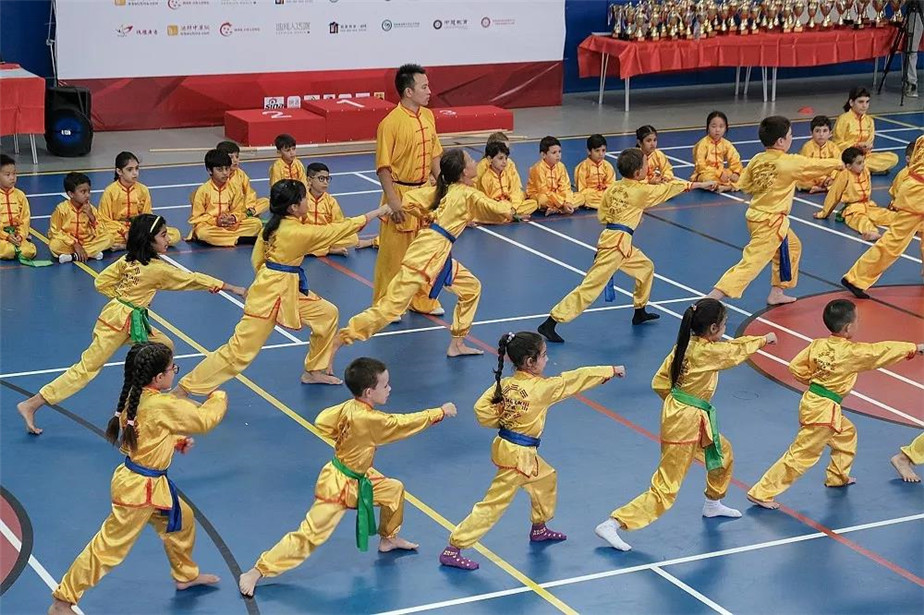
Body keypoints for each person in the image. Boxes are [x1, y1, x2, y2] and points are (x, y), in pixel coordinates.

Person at [239, 357, 456, 596]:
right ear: (369, 392)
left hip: (359, 474)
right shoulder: (370, 419)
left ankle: (388, 539)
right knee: (310, 534)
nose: (390, 388)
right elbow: (402, 423)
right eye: (385, 385)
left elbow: (322, 421)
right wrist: (440, 412)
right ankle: (257, 571)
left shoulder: (350, 406)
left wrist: (348, 440)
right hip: (339, 485)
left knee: (394, 489)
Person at [16, 214, 244, 435]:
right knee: (86, 369)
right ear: (148, 240)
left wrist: (124, 298)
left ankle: (146, 400)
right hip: (117, 323)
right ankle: (31, 404)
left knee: (164, 345)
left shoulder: (128, 259)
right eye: (163, 235)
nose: (167, 239)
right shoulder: (157, 270)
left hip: (131, 320)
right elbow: (191, 279)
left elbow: (101, 282)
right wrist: (230, 287)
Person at [47, 342, 227, 615]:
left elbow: (147, 433)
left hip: (146, 484)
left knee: (183, 520)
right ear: (159, 377)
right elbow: (204, 421)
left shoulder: (136, 396)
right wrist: (218, 396)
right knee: (109, 548)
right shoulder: (162, 404)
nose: (174, 372)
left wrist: (174, 441)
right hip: (139, 491)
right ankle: (62, 601)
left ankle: (185, 575)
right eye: (173, 368)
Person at [176, 180, 388, 395]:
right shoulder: (296, 233)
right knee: (239, 351)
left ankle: (313, 371)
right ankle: (185, 388)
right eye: (304, 198)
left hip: (285, 288)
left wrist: (261, 282)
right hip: (271, 294)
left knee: (326, 314)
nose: (307, 201)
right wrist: (377, 212)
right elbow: (337, 229)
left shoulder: (273, 226)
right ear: (294, 207)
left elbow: (257, 258)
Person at [596, 299, 774, 551]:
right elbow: (733, 353)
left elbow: (659, 382)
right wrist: (763, 340)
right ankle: (615, 523)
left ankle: (713, 503)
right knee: (667, 486)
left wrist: (678, 402)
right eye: (724, 324)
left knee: (722, 453)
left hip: (686, 415)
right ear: (713, 328)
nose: (725, 329)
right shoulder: (706, 353)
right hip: (685, 423)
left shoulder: (684, 346)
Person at [439, 332, 623, 570]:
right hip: (519, 456)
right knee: (493, 504)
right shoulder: (541, 389)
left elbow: (481, 409)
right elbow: (574, 379)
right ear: (530, 361)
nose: (547, 359)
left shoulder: (505, 384)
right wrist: (609, 370)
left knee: (545, 478)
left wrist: (504, 420)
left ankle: (539, 527)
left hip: (509, 448)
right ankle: (454, 547)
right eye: (544, 355)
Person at [336, 149, 513, 358]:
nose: (476, 162)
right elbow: (502, 212)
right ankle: (342, 338)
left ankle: (457, 344)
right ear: (464, 171)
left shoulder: (447, 190)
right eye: (471, 160)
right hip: (427, 254)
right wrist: (510, 206)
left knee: (471, 288)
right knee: (391, 307)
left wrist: (428, 215)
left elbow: (409, 200)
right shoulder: (468, 194)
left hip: (438, 253)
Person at [747, 299, 923, 509]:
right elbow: (880, 351)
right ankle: (762, 492)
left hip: (812, 401)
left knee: (846, 434)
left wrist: (815, 380)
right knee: (802, 455)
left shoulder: (817, 345)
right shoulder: (851, 352)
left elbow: (795, 367)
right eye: (857, 321)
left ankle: (837, 477)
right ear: (848, 328)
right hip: (824, 413)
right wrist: (914, 348)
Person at [538, 148, 715, 343]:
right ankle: (552, 321)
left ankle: (640, 311)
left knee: (645, 268)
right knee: (590, 287)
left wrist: (626, 218)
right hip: (616, 246)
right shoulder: (642, 191)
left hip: (618, 241)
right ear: (638, 173)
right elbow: (669, 188)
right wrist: (700, 184)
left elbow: (603, 214)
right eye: (646, 165)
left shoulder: (615, 186)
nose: (648, 167)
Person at [707, 116, 844, 305]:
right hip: (770, 224)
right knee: (751, 263)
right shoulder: (789, 163)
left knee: (792, 247)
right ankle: (711, 298)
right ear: (780, 141)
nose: (791, 138)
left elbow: (744, 185)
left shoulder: (757, 159)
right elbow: (812, 165)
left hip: (757, 217)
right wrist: (839, 163)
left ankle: (777, 292)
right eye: (790, 135)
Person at [372, 63, 445, 318]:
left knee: (424, 254)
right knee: (393, 256)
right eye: (424, 87)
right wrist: (393, 202)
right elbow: (383, 167)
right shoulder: (389, 124)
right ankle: (387, 305)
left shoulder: (428, 117)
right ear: (408, 92)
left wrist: (443, 188)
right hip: (400, 194)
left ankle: (421, 299)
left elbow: (435, 155)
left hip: (424, 194)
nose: (429, 91)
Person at [841, 135, 924, 298]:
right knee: (894, 241)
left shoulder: (921, 139)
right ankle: (855, 279)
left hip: (914, 190)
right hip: (918, 195)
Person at [99, 151, 182, 250]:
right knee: (106, 238)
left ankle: (126, 246)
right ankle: (141, 244)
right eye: (130, 169)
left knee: (175, 235)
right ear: (119, 171)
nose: (135, 173)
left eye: (137, 168)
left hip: (139, 229)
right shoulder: (110, 191)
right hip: (117, 230)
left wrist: (140, 231)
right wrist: (124, 232)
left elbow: (147, 217)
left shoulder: (143, 190)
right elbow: (104, 219)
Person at [814, 147, 894, 241]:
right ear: (848, 166)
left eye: (863, 161)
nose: (863, 165)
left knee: (888, 215)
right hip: (852, 210)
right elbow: (834, 195)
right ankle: (871, 232)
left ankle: (908, 225)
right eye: (859, 163)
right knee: (861, 220)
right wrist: (824, 213)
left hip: (868, 206)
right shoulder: (844, 175)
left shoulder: (866, 171)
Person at [187, 149, 262, 247]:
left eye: (227, 169)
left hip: (230, 226)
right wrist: (216, 221)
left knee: (256, 224)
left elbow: (239, 211)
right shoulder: (202, 191)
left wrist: (233, 217)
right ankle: (239, 239)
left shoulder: (234, 188)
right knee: (202, 232)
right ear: (209, 170)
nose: (225, 173)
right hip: (211, 226)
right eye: (220, 170)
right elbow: (196, 218)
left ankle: (226, 239)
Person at [303, 162, 375, 255]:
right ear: (309, 180)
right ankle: (328, 250)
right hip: (306, 236)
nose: (325, 182)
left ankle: (317, 249)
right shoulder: (301, 199)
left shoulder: (331, 201)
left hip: (325, 236)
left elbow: (339, 225)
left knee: (352, 238)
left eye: (327, 179)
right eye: (321, 178)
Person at [49, 172, 114, 263]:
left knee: (109, 238)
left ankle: (73, 256)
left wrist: (92, 217)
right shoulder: (61, 209)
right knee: (54, 245)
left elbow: (102, 231)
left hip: (87, 242)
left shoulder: (91, 209)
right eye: (83, 192)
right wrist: (74, 243)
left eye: (89, 191)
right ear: (71, 194)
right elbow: (54, 231)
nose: (88, 195)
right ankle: (91, 253)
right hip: (69, 244)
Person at [832, 87, 899, 175]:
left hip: (864, 157)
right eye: (861, 102)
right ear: (851, 102)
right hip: (846, 157)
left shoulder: (869, 121)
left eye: (867, 102)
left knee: (893, 158)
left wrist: (866, 147)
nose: (864, 106)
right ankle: (862, 168)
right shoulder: (843, 119)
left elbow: (870, 142)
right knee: (836, 162)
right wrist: (856, 145)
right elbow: (836, 144)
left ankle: (857, 167)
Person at [476, 141, 537, 221]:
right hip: (496, 208)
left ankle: (510, 215)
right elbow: (486, 201)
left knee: (533, 203)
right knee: (494, 210)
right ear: (490, 159)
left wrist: (513, 207)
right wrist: (501, 206)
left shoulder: (507, 174)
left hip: (510, 206)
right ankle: (512, 216)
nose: (504, 162)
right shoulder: (486, 178)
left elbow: (515, 191)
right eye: (500, 158)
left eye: (506, 158)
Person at [0, 153, 44, 264]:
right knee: (8, 251)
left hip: (16, 234)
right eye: (7, 175)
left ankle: (21, 242)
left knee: (28, 251)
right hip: (2, 236)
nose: (12, 178)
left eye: (14, 174)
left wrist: (20, 235)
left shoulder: (20, 195)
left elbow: (25, 219)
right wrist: (6, 236)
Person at [526, 136, 585, 214]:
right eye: (554, 153)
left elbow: (565, 187)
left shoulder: (561, 166)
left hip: (558, 195)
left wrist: (568, 201)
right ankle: (563, 208)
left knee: (581, 197)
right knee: (542, 199)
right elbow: (543, 190)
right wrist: (562, 203)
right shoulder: (538, 168)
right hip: (541, 195)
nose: (558, 155)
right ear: (543, 155)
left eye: (559, 152)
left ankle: (556, 209)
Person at [690, 111, 743, 193]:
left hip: (723, 173)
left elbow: (735, 160)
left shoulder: (726, 144)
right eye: (714, 126)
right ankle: (729, 186)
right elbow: (701, 166)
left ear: (726, 128)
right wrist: (719, 173)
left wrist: (736, 173)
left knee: (745, 174)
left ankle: (726, 187)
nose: (717, 130)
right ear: (708, 127)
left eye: (721, 126)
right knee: (708, 179)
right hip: (705, 173)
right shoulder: (702, 144)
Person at [217, 140, 269, 215]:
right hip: (226, 210)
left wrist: (250, 207)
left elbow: (249, 193)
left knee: (265, 201)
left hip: (242, 208)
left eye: (237, 157)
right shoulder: (218, 176)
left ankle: (248, 214)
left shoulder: (241, 174)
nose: (235, 160)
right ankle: (244, 216)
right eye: (231, 157)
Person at [796, 116, 841, 193]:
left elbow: (839, 165)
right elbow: (806, 167)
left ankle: (821, 189)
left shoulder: (833, 147)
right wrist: (822, 178)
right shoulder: (807, 147)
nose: (821, 134)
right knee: (800, 180)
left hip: (829, 178)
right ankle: (828, 188)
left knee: (843, 175)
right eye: (817, 131)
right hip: (813, 177)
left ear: (830, 133)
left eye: (825, 131)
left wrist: (831, 177)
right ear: (811, 133)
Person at [573, 134, 616, 209]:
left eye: (603, 150)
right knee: (581, 198)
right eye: (597, 151)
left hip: (604, 194)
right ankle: (606, 204)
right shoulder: (582, 167)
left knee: (617, 194)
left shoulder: (608, 166)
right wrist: (595, 192)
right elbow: (582, 190)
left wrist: (605, 187)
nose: (601, 154)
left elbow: (611, 185)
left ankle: (600, 204)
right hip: (589, 196)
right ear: (589, 151)